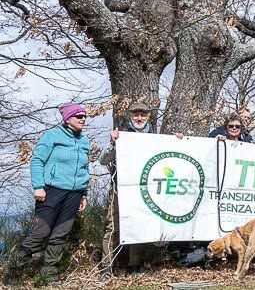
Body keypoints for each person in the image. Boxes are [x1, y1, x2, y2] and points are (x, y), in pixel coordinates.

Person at [4, 103, 91, 286]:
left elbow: (85, 169)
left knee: (60, 235)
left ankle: (49, 276)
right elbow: (37, 160)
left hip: (74, 194)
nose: (83, 119)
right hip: (51, 191)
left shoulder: (84, 141)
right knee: (40, 233)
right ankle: (12, 276)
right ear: (68, 118)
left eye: (84, 117)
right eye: (79, 116)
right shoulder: (52, 135)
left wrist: (84, 194)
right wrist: (38, 186)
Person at [98, 101, 154, 278]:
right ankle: (106, 268)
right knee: (112, 227)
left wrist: (178, 140)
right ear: (130, 116)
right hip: (120, 189)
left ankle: (134, 265)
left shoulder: (155, 136)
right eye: (135, 114)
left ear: (148, 116)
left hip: (144, 189)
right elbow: (103, 160)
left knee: (138, 225)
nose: (139, 118)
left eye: (142, 114)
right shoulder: (121, 135)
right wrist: (112, 143)